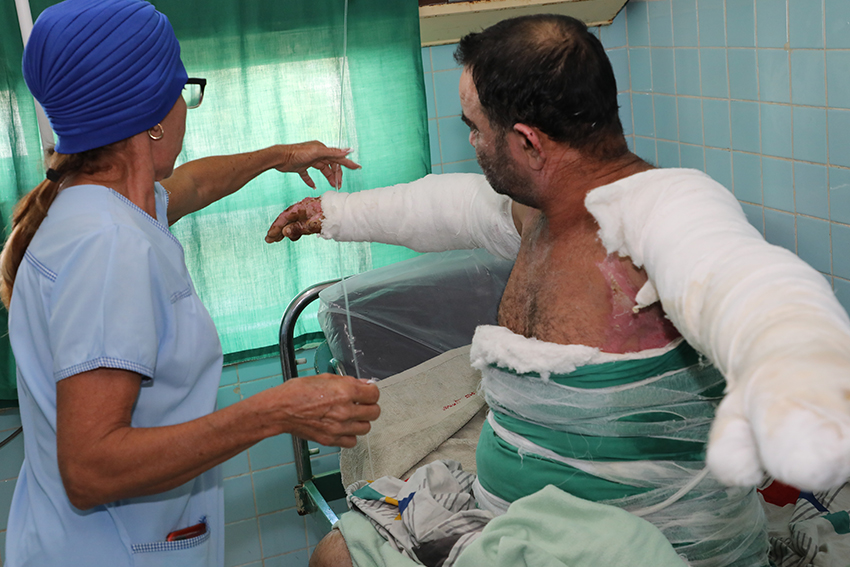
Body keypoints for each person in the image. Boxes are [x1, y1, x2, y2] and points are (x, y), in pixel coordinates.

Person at [268, 13, 850, 567]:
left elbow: (751, 288)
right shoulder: (542, 209)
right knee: (336, 554)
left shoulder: (666, 213)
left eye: (474, 128)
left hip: (649, 546)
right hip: (510, 522)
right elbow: (453, 208)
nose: (471, 142)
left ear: (528, 142)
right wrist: (333, 213)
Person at [0, 1, 380, 566]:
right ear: (153, 114)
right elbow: (90, 469)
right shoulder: (109, 247)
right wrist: (275, 411)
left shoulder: (97, 204)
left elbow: (196, 183)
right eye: (182, 89)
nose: (185, 104)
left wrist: (281, 155)